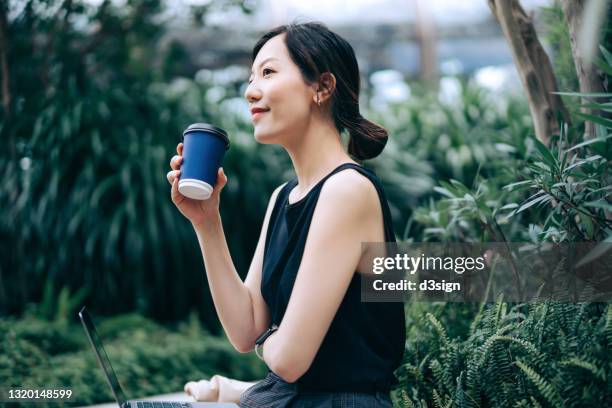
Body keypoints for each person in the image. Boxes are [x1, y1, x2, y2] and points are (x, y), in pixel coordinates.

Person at [167, 21, 405, 407]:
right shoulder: (283, 197)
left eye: (268, 72)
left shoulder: (347, 191)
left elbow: (290, 361)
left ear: (322, 88)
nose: (250, 91)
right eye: (250, 77)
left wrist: (272, 339)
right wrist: (207, 221)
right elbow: (245, 331)